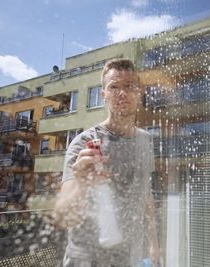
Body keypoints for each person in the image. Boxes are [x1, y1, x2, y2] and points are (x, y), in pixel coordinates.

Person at [54, 59, 159, 267]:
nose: (121, 93)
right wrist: (82, 183)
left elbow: (145, 192)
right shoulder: (84, 144)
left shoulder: (145, 141)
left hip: (129, 257)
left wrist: (154, 243)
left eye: (129, 86)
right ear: (104, 96)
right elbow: (62, 213)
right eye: (114, 87)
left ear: (139, 94)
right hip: (87, 259)